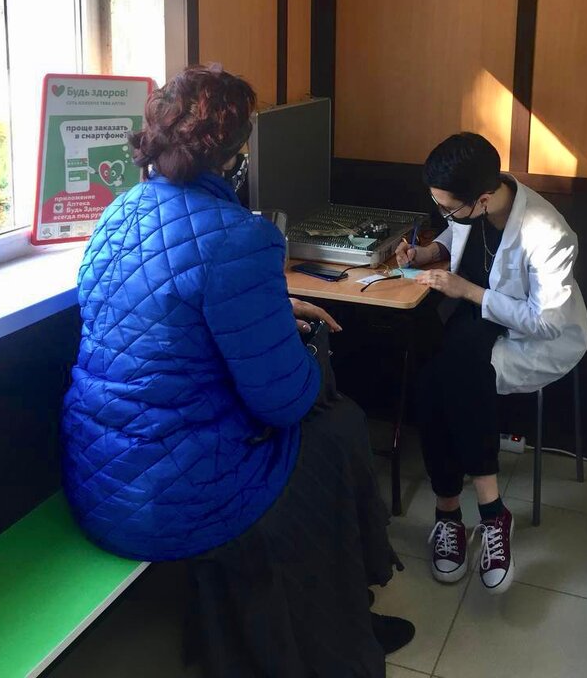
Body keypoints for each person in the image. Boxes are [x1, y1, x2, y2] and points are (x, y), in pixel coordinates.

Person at [62, 64, 413, 678]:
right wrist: (297, 343)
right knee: (337, 430)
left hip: (99, 477)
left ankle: (348, 615)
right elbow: (284, 401)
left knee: (323, 439)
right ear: (233, 155)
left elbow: (167, 319)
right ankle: (343, 628)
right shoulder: (240, 237)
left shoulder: (118, 215)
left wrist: (267, 309)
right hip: (175, 498)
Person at [396, 132, 587, 594]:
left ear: (482, 199)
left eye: (447, 207)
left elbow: (545, 323)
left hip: (532, 335)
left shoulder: (549, 234)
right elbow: (456, 232)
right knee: (434, 371)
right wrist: (428, 252)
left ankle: (458, 512)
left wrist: (469, 291)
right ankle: (486, 512)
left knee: (450, 376)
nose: (443, 213)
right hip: (482, 320)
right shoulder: (476, 202)